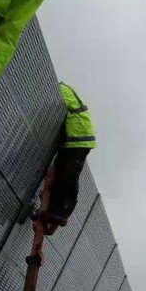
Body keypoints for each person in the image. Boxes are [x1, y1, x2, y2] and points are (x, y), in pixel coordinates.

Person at [43, 82, 97, 234]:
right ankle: (54, 213)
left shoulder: (57, 89)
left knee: (68, 176)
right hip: (76, 135)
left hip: (78, 134)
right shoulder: (61, 88)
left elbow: (53, 109)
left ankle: (62, 213)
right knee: (62, 175)